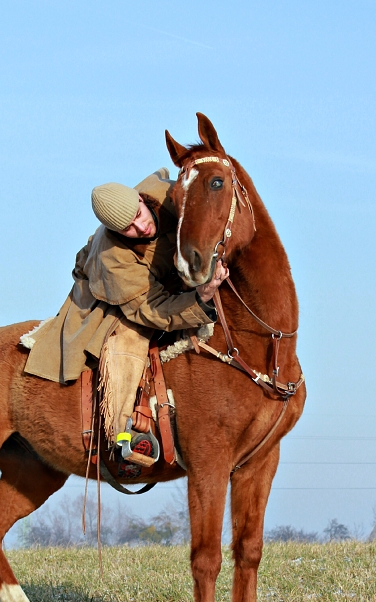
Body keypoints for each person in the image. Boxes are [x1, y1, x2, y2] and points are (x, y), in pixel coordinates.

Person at [23, 168, 228, 463]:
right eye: (128, 228)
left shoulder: (170, 194)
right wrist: (201, 299)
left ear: (143, 200)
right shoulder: (113, 258)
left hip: (166, 274)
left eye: (139, 215)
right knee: (129, 337)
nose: (141, 228)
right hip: (113, 293)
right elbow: (151, 308)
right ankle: (123, 435)